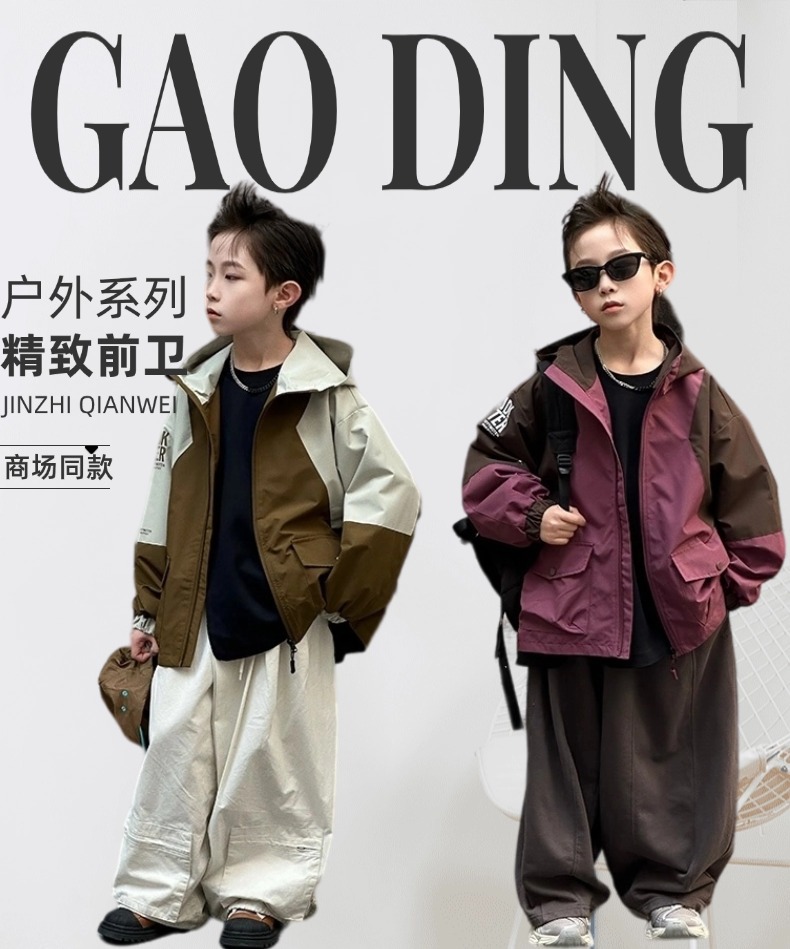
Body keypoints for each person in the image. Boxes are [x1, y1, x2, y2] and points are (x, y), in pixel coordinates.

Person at [462, 178, 784, 946]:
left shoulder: (701, 395)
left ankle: (675, 894)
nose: (604, 284)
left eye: (621, 266)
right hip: (570, 607)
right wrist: (534, 515)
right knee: (563, 769)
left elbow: (756, 515)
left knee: (679, 763)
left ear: (660, 273)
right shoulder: (552, 387)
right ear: (574, 290)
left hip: (677, 619)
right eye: (585, 274)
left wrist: (712, 588)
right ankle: (560, 906)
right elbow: (485, 471)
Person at [98, 183, 420, 948]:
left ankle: (259, 894)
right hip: (195, 606)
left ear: (284, 294)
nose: (211, 288)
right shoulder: (197, 390)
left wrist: (333, 597)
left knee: (273, 758)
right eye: (209, 270)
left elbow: (392, 495)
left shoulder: (326, 396)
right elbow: (161, 504)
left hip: (283, 613)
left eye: (232, 274)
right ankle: (157, 893)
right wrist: (147, 608)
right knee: (174, 747)